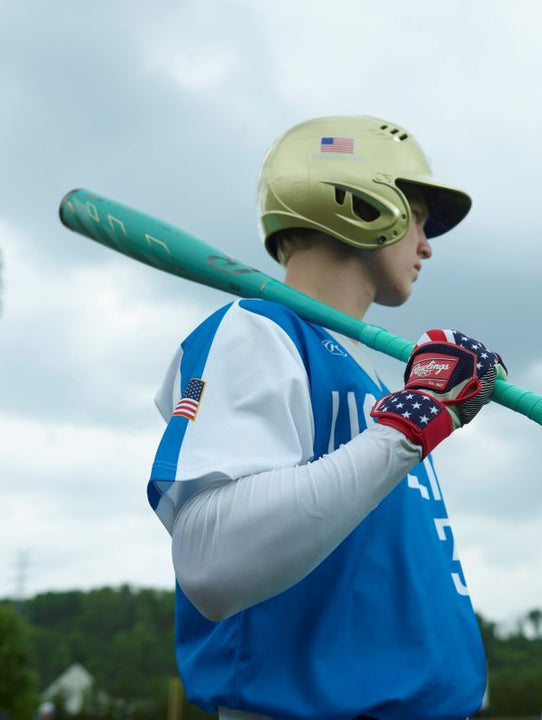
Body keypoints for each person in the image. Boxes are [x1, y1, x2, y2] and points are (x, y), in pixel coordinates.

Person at [147, 115, 507, 720]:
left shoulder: (373, 383)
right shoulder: (261, 331)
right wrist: (407, 429)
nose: (426, 244)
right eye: (419, 216)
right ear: (365, 203)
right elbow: (211, 558)